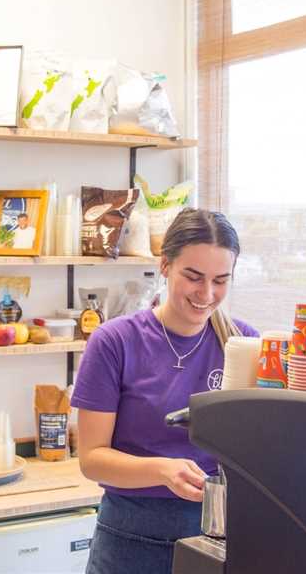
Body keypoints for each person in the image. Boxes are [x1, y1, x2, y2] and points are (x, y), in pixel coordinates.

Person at [71, 208, 259, 574]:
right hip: (129, 541)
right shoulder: (114, 342)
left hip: (218, 540)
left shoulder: (243, 344)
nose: (207, 293)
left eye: (221, 280)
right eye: (193, 276)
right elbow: (92, 459)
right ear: (165, 266)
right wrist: (162, 471)